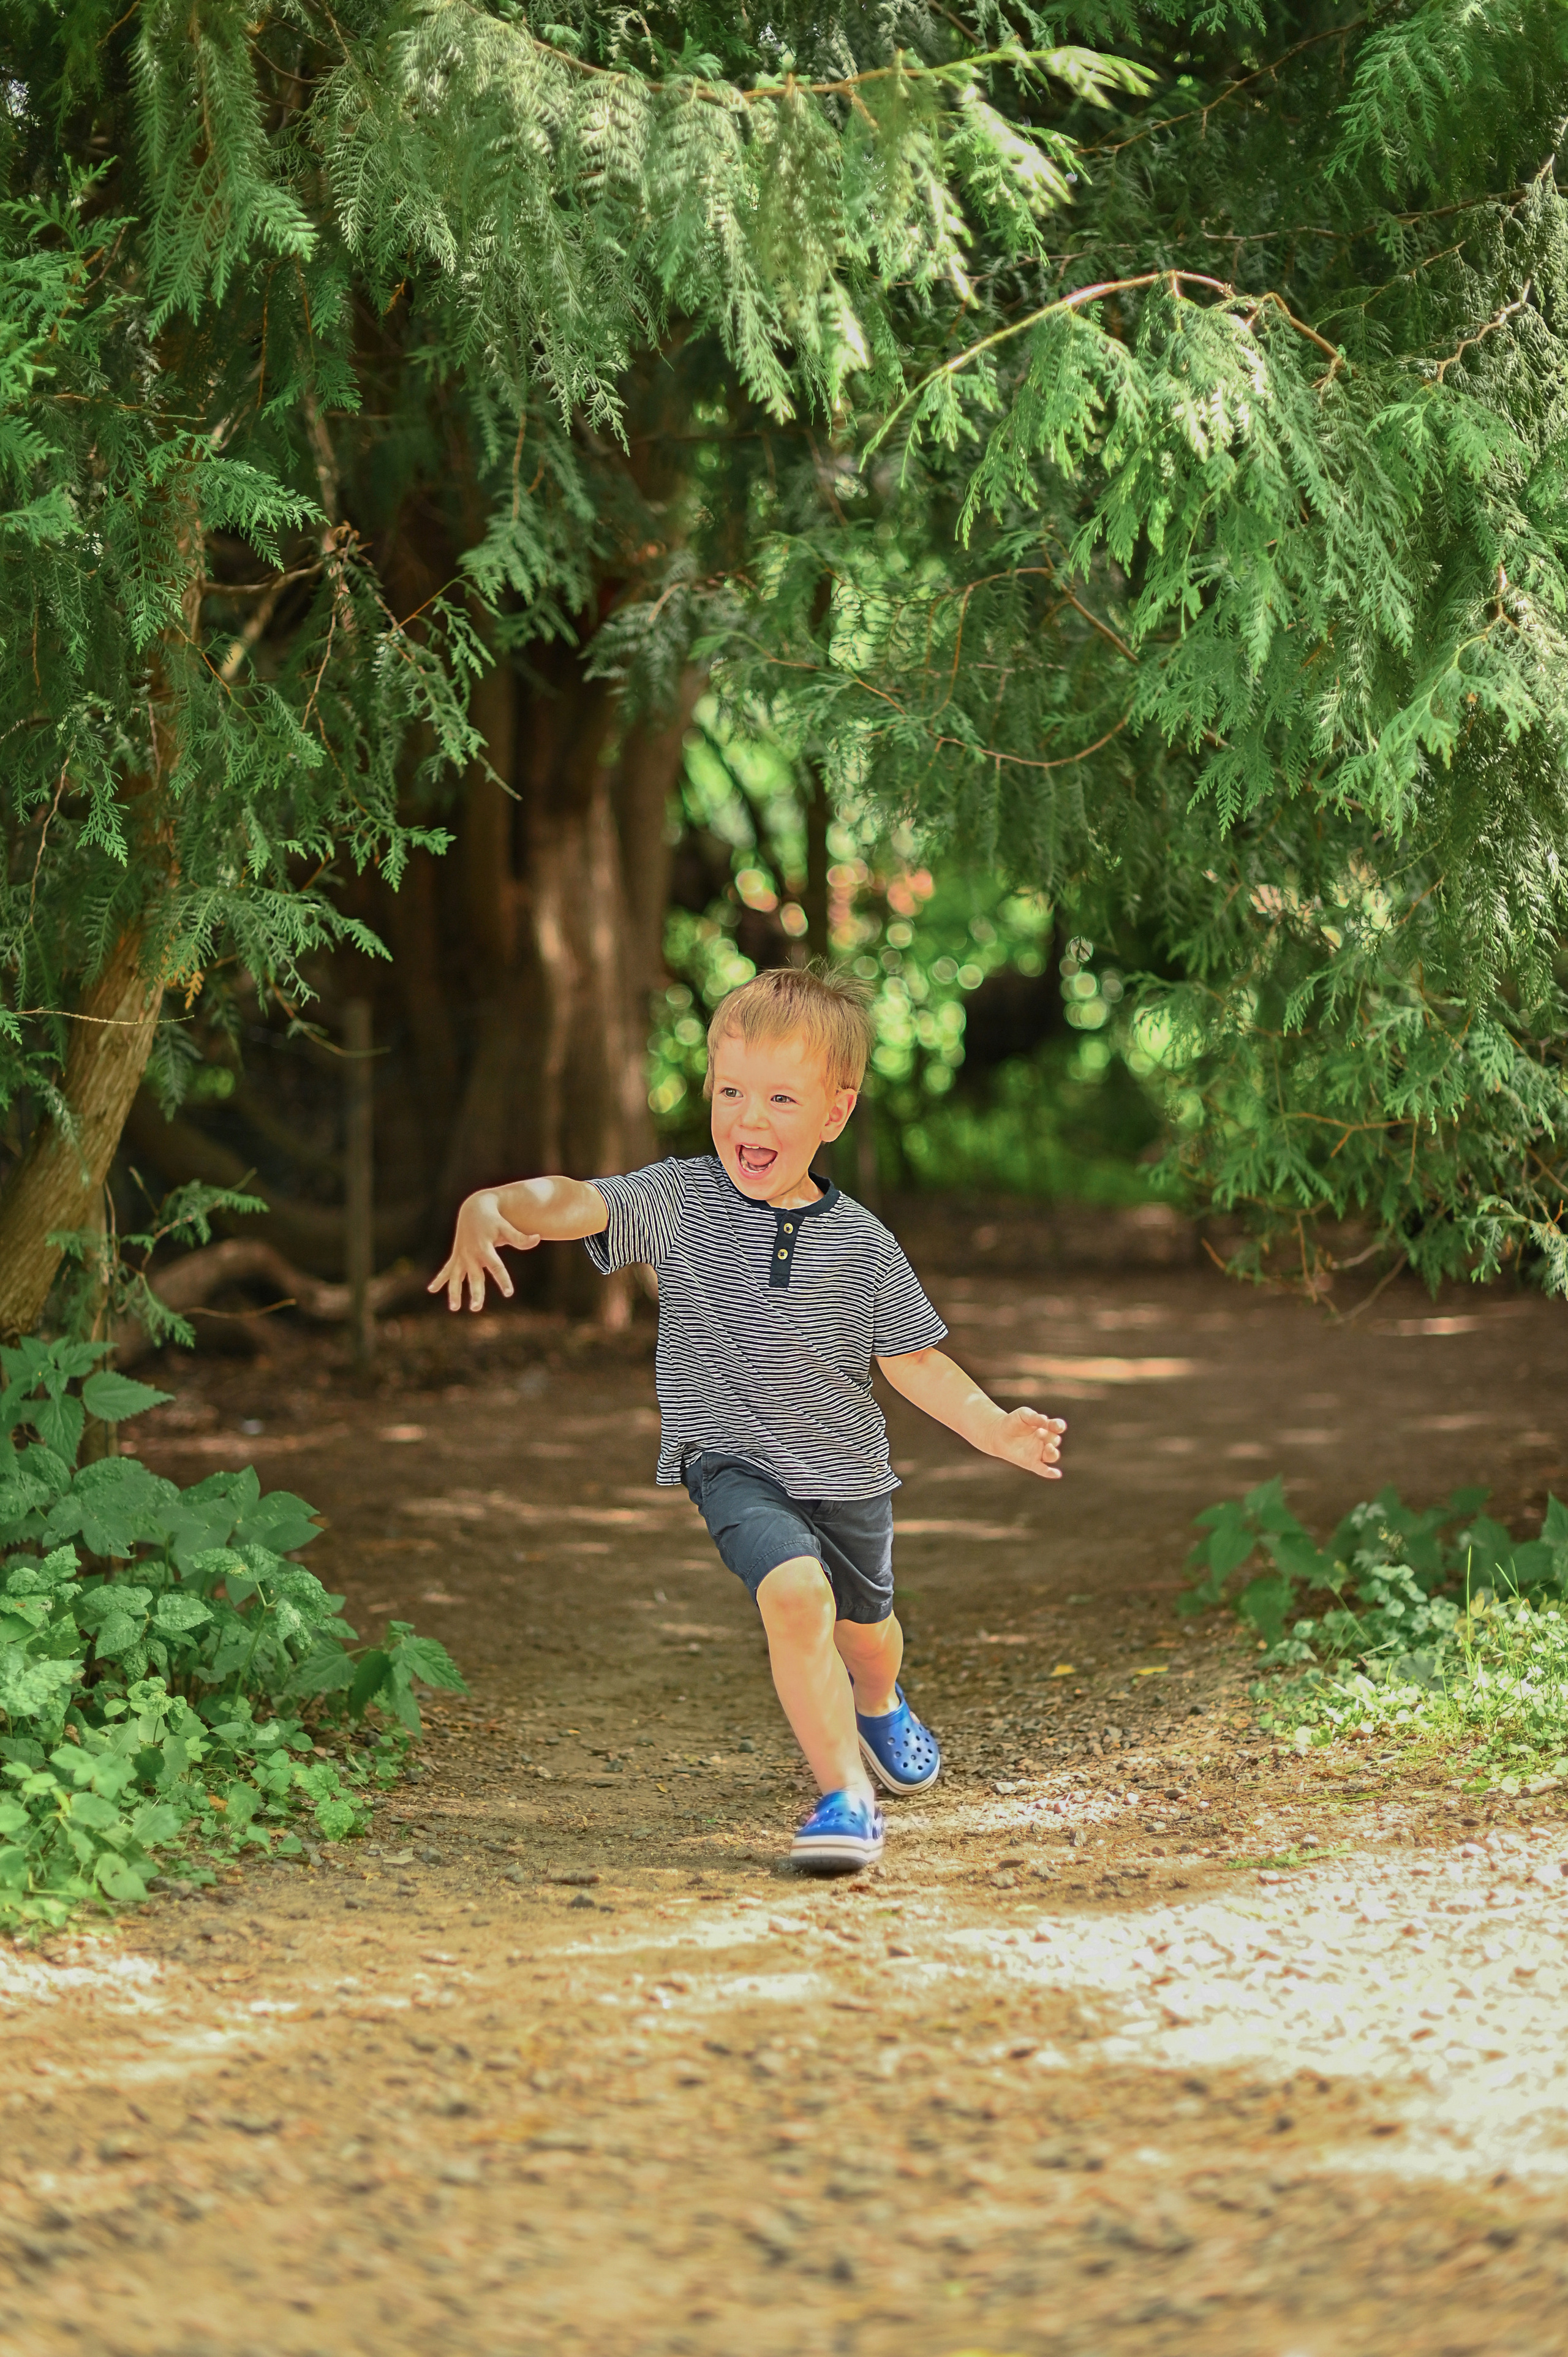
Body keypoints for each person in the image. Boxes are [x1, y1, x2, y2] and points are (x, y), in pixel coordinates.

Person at [429, 964, 1066, 1875]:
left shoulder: (863, 1245)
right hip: (730, 1460)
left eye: (779, 1098)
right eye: (731, 1093)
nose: (749, 1120)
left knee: (867, 1635)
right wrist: (492, 1205)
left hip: (847, 1476)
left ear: (833, 1115)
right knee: (794, 1594)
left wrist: (996, 1427)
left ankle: (880, 1707)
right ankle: (846, 1794)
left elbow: (915, 1362)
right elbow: (582, 1199)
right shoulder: (681, 1200)